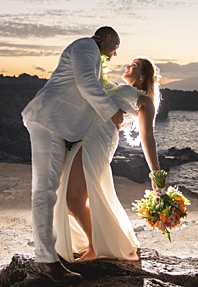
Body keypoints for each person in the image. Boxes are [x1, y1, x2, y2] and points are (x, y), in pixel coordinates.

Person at [21, 26, 124, 284]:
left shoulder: (88, 53)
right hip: (49, 120)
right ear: (108, 38)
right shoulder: (85, 46)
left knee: (53, 191)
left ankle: (52, 254)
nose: (114, 55)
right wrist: (112, 111)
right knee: (44, 190)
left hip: (60, 126)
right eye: (115, 48)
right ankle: (46, 263)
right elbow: (86, 83)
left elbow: (90, 86)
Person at [53, 56, 161, 262]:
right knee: (65, 199)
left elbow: (148, 138)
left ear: (143, 75)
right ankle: (101, 240)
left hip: (97, 142)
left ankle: (96, 247)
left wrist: (157, 177)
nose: (129, 65)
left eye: (135, 66)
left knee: (74, 198)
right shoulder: (114, 88)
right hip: (81, 138)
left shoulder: (143, 99)